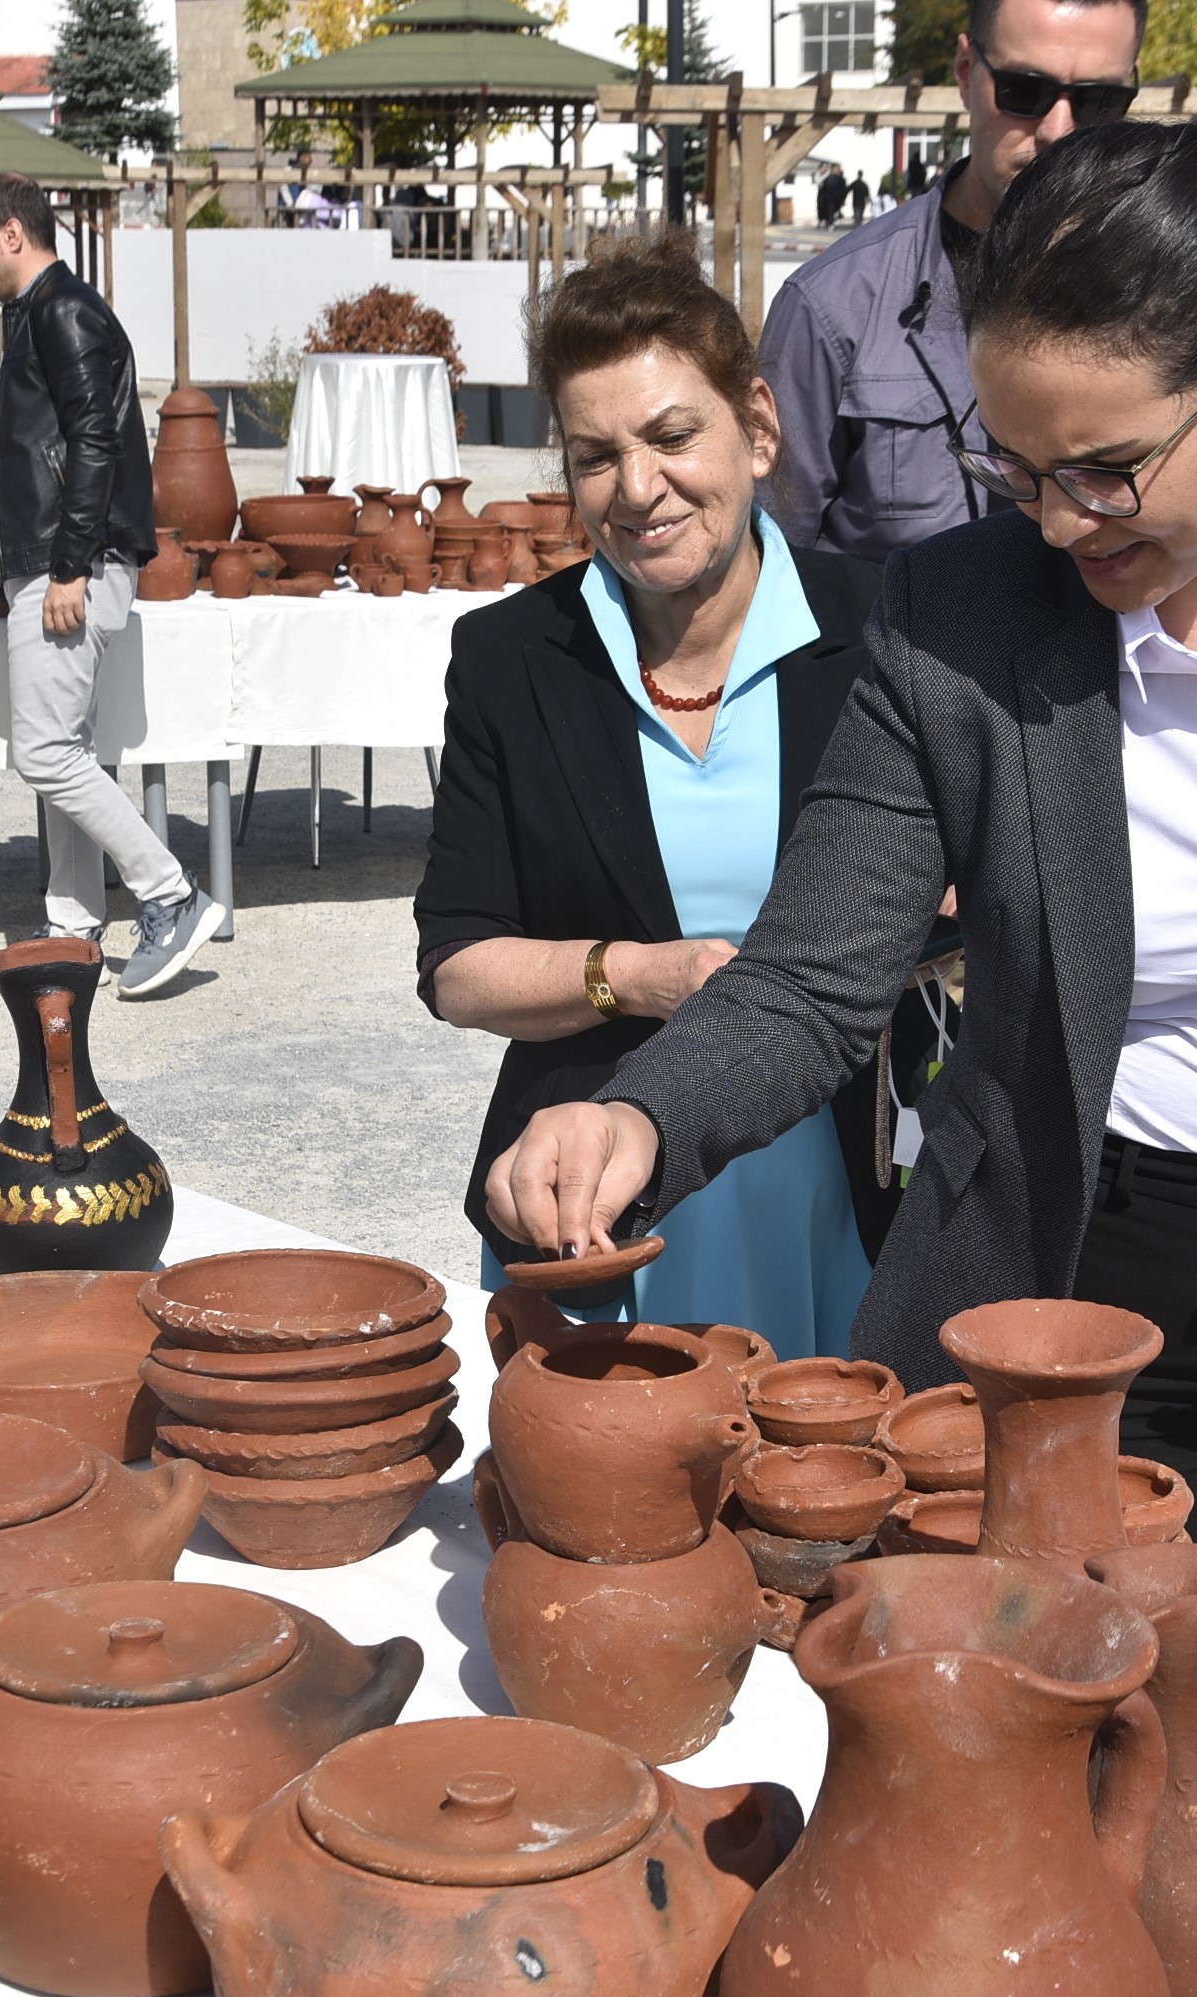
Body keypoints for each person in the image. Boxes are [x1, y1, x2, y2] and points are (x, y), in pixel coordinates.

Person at [482, 106, 1197, 1648]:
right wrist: (637, 1109)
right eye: (1015, 463)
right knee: (1121, 1764)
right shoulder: (962, 615)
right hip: (1089, 1294)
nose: (1054, 522)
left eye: (1106, 472)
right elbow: (818, 973)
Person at [414, 233, 893, 1356]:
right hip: (597, 1198)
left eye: (673, 435)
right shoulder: (512, 657)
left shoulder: (882, 634)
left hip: (854, 1193)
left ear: (759, 426)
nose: (637, 489)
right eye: (594, 455)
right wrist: (635, 976)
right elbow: (457, 965)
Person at [0, 171, 221, 998]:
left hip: (68, 570)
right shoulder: (41, 316)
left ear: (14, 234)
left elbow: (95, 445)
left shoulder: (64, 313)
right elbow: (47, 459)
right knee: (65, 753)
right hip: (56, 559)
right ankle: (72, 930)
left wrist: (69, 566)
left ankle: (172, 896)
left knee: (46, 753)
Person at [755, 0, 1142, 561]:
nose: (1059, 130)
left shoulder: (1168, 294)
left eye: (1097, 101)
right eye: (1023, 91)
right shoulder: (831, 305)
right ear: (966, 71)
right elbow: (771, 560)